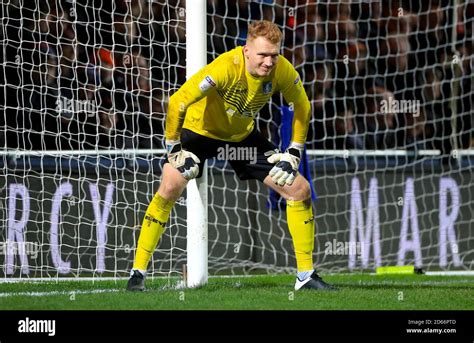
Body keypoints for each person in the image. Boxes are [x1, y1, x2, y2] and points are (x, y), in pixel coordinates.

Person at [126, 20, 336, 291]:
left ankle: (305, 276)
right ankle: (137, 274)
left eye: (274, 55)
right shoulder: (225, 68)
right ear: (246, 50)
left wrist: (294, 149)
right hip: (198, 134)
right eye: (262, 55)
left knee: (299, 189)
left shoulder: (282, 69)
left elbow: (302, 106)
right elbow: (177, 101)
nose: (269, 62)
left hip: (240, 140)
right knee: (170, 186)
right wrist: (174, 148)